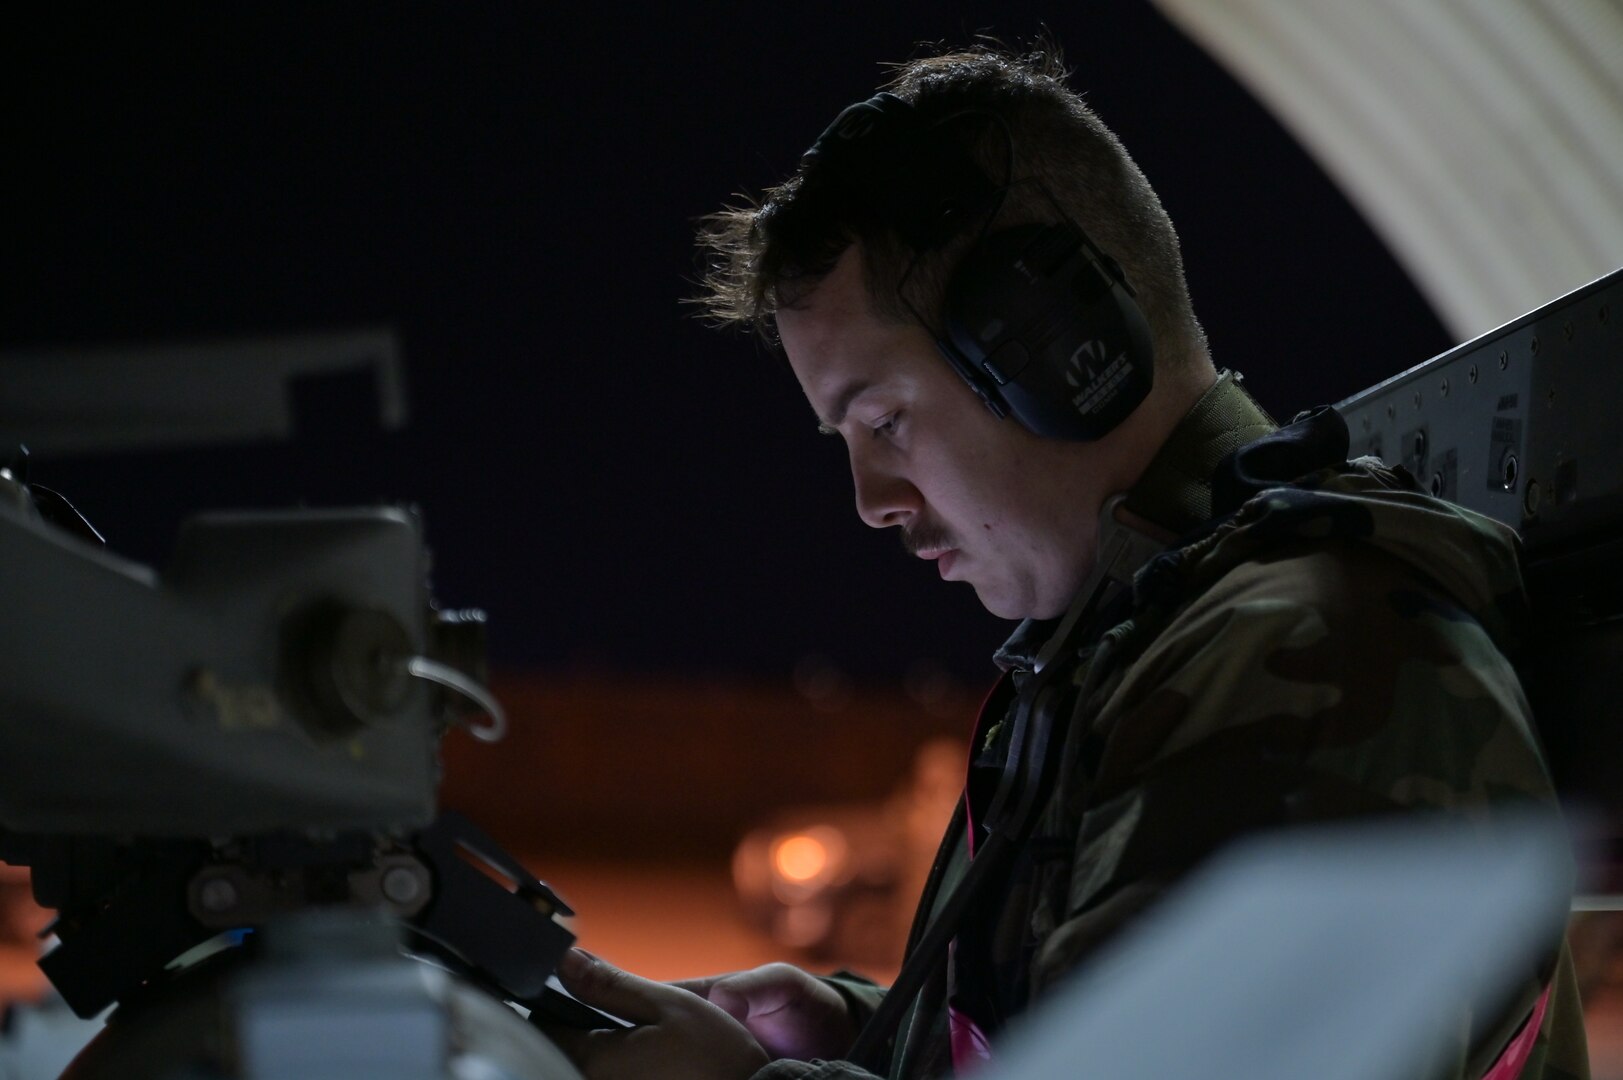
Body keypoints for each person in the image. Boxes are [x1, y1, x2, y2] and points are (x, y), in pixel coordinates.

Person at [546, 42, 1590, 1080]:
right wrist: (869, 1036)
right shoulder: (1135, 647)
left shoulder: (1309, 662)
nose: (871, 502)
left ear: (1051, 350)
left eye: (888, 421)